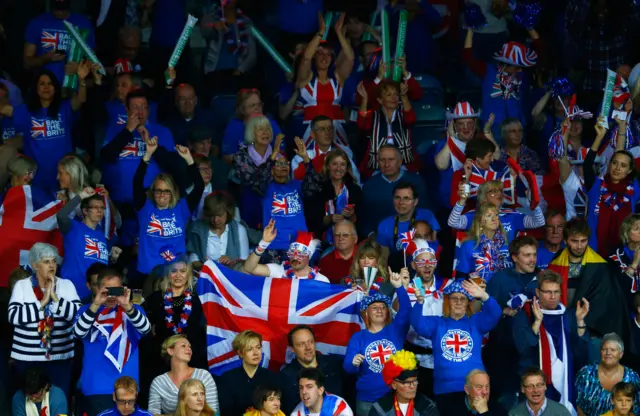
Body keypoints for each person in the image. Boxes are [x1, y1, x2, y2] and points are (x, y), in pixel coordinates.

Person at [410, 280, 501, 415]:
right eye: (454, 298)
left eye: (463, 299)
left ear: (468, 303)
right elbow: (418, 324)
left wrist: (484, 296)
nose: (458, 302)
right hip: (445, 390)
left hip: (475, 389)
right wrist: (419, 303)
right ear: (447, 301)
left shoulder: (476, 322)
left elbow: (495, 314)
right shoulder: (438, 323)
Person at [0, 65, 91, 192]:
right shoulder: (27, 111)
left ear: (55, 88)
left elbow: (81, 99)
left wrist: (81, 80)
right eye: (42, 84)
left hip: (64, 177)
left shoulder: (64, 108)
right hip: (35, 178)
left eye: (50, 83)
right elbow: (4, 109)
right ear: (36, 89)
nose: (46, 87)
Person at [73, 268, 151, 416]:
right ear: (98, 288)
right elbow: (78, 332)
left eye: (115, 289)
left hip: (128, 388)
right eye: (107, 290)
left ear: (122, 288)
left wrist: (127, 306)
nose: (111, 295)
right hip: (96, 386)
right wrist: (96, 304)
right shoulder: (85, 311)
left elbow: (145, 329)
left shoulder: (135, 310)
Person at [512, 270, 590, 415]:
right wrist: (537, 322)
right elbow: (523, 349)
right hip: (536, 387)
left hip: (565, 382)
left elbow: (582, 356)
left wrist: (580, 322)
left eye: (556, 292)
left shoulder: (568, 316)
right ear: (537, 291)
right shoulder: (525, 314)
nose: (553, 297)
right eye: (548, 292)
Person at [8, 243, 80, 396]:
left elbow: (77, 316)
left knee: (58, 402)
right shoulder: (22, 285)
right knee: (27, 403)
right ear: (35, 265)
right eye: (46, 262)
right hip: (26, 359)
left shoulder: (66, 285)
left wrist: (55, 299)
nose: (52, 265)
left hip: (60, 359)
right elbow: (14, 316)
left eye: (54, 261)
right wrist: (41, 304)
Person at [547, 218, 630, 339]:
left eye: (583, 241)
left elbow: (604, 303)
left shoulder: (600, 266)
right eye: (575, 241)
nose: (580, 246)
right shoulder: (556, 262)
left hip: (590, 331)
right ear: (565, 240)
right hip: (559, 326)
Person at [133, 139, 204, 280]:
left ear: (172, 193)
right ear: (152, 191)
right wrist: (147, 155)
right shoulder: (145, 208)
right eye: (158, 190)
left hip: (176, 273)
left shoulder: (182, 208)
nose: (162, 194)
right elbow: (137, 182)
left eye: (166, 191)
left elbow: (199, 186)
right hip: (148, 273)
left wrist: (189, 159)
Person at [343, 271, 411, 415]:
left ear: (387, 312)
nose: (379, 310)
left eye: (383, 307)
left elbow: (405, 311)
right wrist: (353, 363)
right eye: (374, 308)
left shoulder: (396, 330)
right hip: (367, 399)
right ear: (366, 313)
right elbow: (347, 367)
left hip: (395, 396)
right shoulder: (358, 337)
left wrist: (399, 287)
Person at [141, 248, 207, 393]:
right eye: (174, 271)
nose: (178, 275)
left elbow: (202, 329)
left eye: (183, 271)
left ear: (188, 274)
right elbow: (144, 327)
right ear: (167, 274)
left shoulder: (197, 300)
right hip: (160, 359)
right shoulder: (155, 298)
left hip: (192, 358)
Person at [101, 89, 176, 206]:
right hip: (120, 202)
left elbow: (173, 164)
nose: (140, 112)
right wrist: (128, 131)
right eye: (136, 107)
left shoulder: (162, 131)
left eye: (144, 107)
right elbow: (106, 157)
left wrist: (148, 142)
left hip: (153, 202)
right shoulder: (114, 129)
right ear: (127, 110)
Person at [296, 13, 353, 148]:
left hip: (336, 131)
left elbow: (350, 58)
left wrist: (339, 33)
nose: (324, 58)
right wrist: (321, 32)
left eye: (328, 55)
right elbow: (306, 58)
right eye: (320, 53)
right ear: (315, 56)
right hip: (311, 132)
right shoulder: (306, 78)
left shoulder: (338, 79)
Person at [583, 122, 640, 256]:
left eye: (623, 165)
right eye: (614, 163)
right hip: (594, 252)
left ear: (629, 170)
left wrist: (622, 127)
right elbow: (587, 165)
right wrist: (599, 137)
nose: (617, 168)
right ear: (609, 165)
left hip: (625, 255)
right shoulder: (596, 186)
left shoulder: (634, 189)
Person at [403, 240, 449, 398]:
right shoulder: (405, 289)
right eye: (422, 262)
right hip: (416, 362)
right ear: (414, 266)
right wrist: (401, 291)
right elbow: (397, 323)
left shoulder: (448, 287)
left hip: (445, 361)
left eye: (431, 261)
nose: (427, 265)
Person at [356, 79, 420, 178]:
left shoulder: (403, 112)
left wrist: (404, 97)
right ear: (380, 100)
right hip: (377, 166)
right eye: (389, 95)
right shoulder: (374, 115)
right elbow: (362, 125)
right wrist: (364, 100)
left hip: (404, 164)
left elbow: (411, 119)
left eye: (396, 94)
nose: (394, 98)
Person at [360, 145, 428, 236]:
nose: (386, 164)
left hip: (412, 235)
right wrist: (371, 235)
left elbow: (426, 211)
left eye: (391, 160)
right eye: (382, 160)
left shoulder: (416, 181)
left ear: (400, 162)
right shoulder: (369, 185)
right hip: (379, 238)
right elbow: (364, 217)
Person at [57, 187, 111, 299]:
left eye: (102, 208)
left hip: (95, 295)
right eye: (95, 207)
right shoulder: (73, 227)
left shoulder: (101, 235)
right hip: (72, 292)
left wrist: (112, 257)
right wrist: (80, 196)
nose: (100, 211)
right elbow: (61, 215)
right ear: (85, 211)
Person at [23, 0, 95, 82]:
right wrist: (44, 59)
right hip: (44, 84)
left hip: (73, 83)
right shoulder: (37, 23)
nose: (60, 12)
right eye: (57, 9)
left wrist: (79, 67)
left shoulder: (83, 23)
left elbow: (93, 60)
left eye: (63, 9)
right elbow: (27, 63)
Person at [279, 325, 345, 414]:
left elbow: (350, 393)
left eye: (310, 342)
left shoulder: (334, 364)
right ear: (292, 349)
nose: (308, 347)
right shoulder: (286, 376)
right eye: (301, 344)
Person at [148, 335, 219, 415]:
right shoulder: (159, 382)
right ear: (170, 351)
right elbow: (152, 413)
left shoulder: (203, 375)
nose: (189, 349)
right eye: (183, 346)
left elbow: (213, 411)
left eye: (190, 346)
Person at [302, 148, 363, 240]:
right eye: (334, 164)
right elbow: (311, 221)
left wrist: (352, 216)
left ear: (347, 168)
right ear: (328, 166)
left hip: (349, 242)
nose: (338, 168)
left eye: (342, 164)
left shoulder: (354, 190)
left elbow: (362, 221)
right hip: (323, 242)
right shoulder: (318, 189)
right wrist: (329, 219)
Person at [575, 333, 640, 416]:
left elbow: (637, 408)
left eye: (613, 350)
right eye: (604, 349)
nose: (608, 353)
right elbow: (575, 403)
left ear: (621, 354)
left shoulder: (632, 377)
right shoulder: (585, 374)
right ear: (600, 352)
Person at [244, 223, 329, 282]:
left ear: (309, 256)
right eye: (292, 252)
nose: (295, 257)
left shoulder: (321, 281)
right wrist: (263, 244)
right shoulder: (279, 271)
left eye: (300, 254)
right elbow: (249, 268)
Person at [187, 191, 250, 269]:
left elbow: (246, 263)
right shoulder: (198, 229)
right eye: (212, 215)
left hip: (232, 277)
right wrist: (208, 266)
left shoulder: (239, 230)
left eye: (219, 215)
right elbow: (193, 260)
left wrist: (232, 262)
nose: (216, 220)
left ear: (228, 212)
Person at [217, 331, 274, 416]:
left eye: (258, 347)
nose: (256, 353)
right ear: (240, 353)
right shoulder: (228, 378)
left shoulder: (272, 377)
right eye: (250, 349)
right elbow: (226, 411)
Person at [291, 116, 359, 184]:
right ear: (312, 134)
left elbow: (356, 181)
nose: (327, 132)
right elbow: (296, 185)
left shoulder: (345, 154)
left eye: (330, 128)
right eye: (322, 129)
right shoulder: (300, 158)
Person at [369, 350, 439, 416]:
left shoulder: (428, 407)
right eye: (406, 383)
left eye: (414, 381)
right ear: (394, 384)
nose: (412, 386)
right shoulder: (379, 409)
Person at [376, 182, 440, 254]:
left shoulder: (427, 216)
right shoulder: (384, 225)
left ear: (415, 201)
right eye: (397, 198)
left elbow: (435, 247)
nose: (401, 202)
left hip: (426, 262)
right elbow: (384, 257)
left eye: (406, 198)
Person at [221, 89, 282, 164]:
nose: (257, 108)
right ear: (242, 109)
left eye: (259, 105)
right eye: (252, 105)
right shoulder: (233, 127)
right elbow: (227, 157)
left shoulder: (272, 124)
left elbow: (281, 153)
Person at [455, 203, 511, 281]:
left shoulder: (506, 244)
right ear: (480, 221)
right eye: (489, 216)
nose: (494, 219)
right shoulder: (468, 245)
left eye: (496, 215)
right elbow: (461, 277)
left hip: (503, 289)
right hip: (477, 289)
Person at [609, 213, 640, 309]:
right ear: (626, 233)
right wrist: (634, 264)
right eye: (636, 229)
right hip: (623, 310)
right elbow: (617, 289)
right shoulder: (614, 256)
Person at [317, 220, 358, 284]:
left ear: (355, 239)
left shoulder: (365, 256)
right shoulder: (325, 262)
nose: (341, 238)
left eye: (345, 235)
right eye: (337, 235)